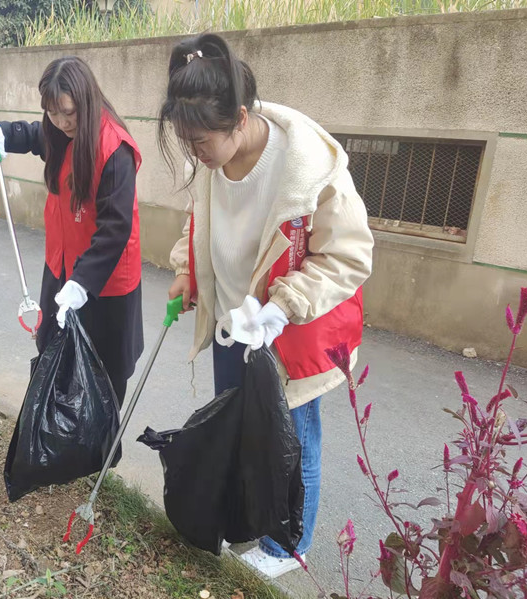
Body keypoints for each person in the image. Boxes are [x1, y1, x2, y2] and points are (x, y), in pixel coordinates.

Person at [158, 33, 374, 578]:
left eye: (201, 141)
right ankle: (255, 520)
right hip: (234, 327)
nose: (195, 154)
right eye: (187, 142)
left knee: (292, 441)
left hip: (289, 335)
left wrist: (282, 307)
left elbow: (349, 257)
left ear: (241, 118)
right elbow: (200, 220)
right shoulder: (212, 161)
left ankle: (286, 548)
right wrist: (188, 269)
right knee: (242, 429)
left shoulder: (309, 168)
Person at [0, 56, 144, 406]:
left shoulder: (115, 149)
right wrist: (3, 133)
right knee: (55, 360)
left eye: (68, 112)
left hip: (103, 284)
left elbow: (115, 229)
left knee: (101, 375)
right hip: (62, 269)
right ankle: (60, 451)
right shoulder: (57, 132)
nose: (62, 121)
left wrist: (82, 284)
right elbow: (34, 134)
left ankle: (101, 457)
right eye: (53, 113)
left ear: (85, 100)